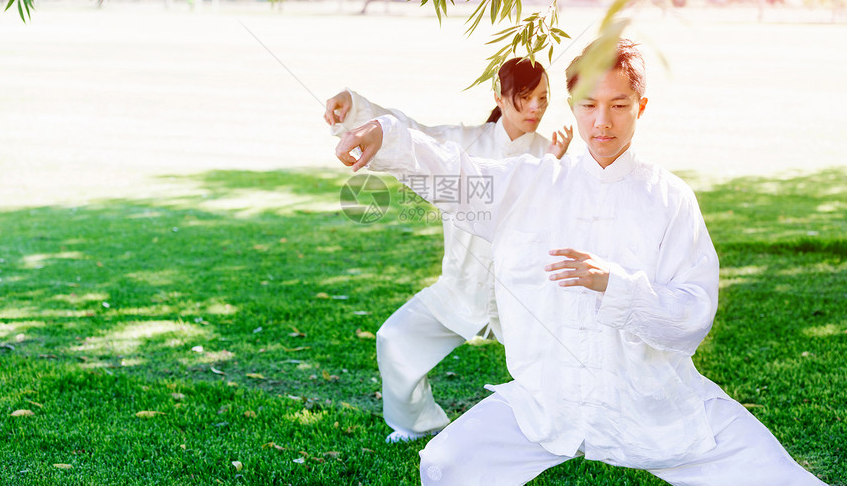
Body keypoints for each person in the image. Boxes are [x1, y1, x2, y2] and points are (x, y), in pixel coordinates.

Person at [334, 39, 828, 485]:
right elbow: (459, 177)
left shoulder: (670, 198)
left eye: (618, 106)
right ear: (572, 107)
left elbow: (692, 315)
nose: (602, 122)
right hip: (548, 403)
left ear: (642, 108)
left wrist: (616, 285)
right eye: (589, 106)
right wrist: (390, 142)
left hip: (651, 402)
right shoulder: (533, 183)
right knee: (446, 464)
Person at [324, 58, 573, 443]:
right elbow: (408, 133)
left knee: (563, 360)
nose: (536, 108)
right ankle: (417, 424)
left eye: (543, 98)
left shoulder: (554, 153)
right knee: (395, 340)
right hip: (460, 288)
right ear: (499, 98)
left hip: (524, 296)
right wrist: (354, 106)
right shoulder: (463, 142)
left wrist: (554, 167)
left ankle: (566, 427)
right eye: (524, 98)